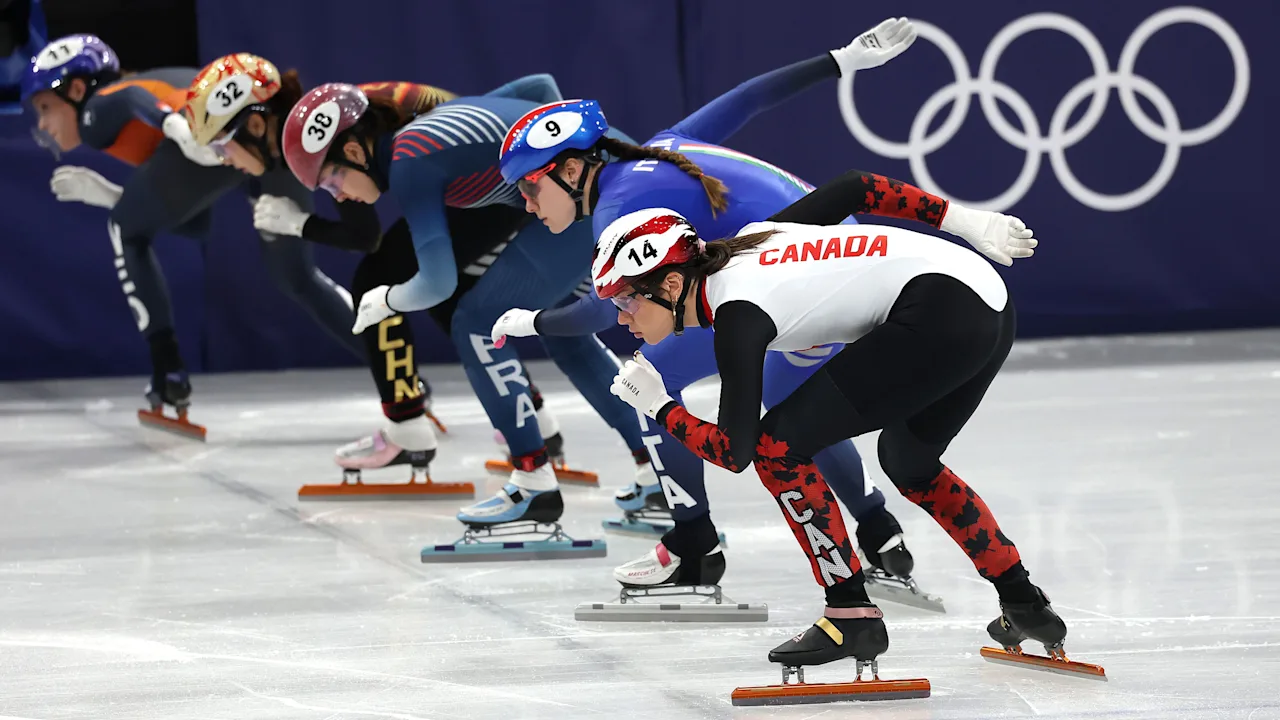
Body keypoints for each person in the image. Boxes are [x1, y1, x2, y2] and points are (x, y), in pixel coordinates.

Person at [493, 18, 952, 601]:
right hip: (840, 272)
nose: (526, 205)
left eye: (529, 188)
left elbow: (605, 315)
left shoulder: (620, 206)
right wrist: (839, 60)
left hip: (810, 278)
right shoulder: (659, 146)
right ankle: (882, 533)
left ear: (573, 168)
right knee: (787, 397)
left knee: (646, 378)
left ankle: (692, 548)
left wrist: (533, 321)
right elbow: (749, 98)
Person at [596, 168, 1053, 674]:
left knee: (778, 449)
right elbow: (854, 188)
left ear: (673, 282)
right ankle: (1024, 601)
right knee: (909, 461)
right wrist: (961, 221)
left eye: (626, 299)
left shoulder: (738, 315)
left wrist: (660, 406)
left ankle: (850, 613)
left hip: (941, 310)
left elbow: (736, 452)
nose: (622, 317)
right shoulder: (751, 240)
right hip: (984, 298)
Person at [282, 82, 649, 543]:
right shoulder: (428, 135)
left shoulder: (408, 164)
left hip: (586, 193)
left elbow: (438, 284)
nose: (336, 196)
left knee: (474, 323)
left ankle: (534, 482)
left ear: (355, 150)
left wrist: (386, 300)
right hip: (605, 180)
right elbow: (539, 88)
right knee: (562, 331)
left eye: (331, 180)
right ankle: (655, 470)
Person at [183, 53, 566, 482]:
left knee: (376, 280)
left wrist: (300, 224)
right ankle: (533, 419)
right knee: (450, 301)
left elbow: (366, 237)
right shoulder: (323, 119)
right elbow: (532, 89)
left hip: (484, 189)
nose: (224, 161)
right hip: (483, 184)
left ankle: (407, 428)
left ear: (255, 125)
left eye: (220, 145)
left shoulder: (315, 134)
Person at [21, 36, 357, 428]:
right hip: (264, 137)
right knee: (298, 277)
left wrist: (174, 126)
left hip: (210, 137)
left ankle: (169, 373)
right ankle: (402, 379)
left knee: (125, 231)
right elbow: (195, 224)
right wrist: (115, 195)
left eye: (45, 107)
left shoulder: (97, 113)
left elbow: (129, 98)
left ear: (77, 89)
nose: (42, 123)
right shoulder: (153, 96)